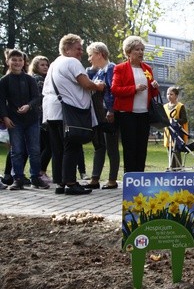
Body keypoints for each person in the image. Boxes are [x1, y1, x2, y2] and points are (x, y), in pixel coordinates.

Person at [42, 33, 105, 195]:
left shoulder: (55, 64)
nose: (81, 52)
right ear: (67, 49)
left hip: (52, 112)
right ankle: (71, 183)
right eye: (78, 48)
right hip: (68, 111)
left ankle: (61, 183)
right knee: (72, 146)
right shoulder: (72, 62)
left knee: (58, 149)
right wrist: (98, 86)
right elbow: (86, 83)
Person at [0, 49, 49, 190]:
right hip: (14, 120)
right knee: (17, 150)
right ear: (8, 62)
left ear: (24, 62)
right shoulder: (4, 81)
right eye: (14, 60)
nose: (17, 63)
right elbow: (2, 101)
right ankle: (18, 178)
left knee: (34, 149)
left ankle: (35, 177)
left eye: (20, 60)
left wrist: (29, 106)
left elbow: (37, 97)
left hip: (32, 119)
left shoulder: (29, 79)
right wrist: (5, 117)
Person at [111, 35, 159, 173]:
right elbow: (115, 89)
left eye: (142, 49)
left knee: (142, 148)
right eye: (137, 49)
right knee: (130, 147)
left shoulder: (147, 69)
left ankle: (140, 177)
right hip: (127, 114)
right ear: (128, 52)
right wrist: (134, 89)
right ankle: (130, 177)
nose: (140, 52)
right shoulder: (120, 68)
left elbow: (153, 94)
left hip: (144, 113)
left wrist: (154, 87)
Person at [82, 42, 119, 190]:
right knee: (99, 146)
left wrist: (111, 110)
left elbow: (113, 91)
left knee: (111, 146)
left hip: (107, 113)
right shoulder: (98, 71)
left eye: (91, 55)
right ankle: (95, 178)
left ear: (99, 54)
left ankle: (112, 179)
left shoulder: (111, 68)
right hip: (97, 113)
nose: (90, 59)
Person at [28, 55, 52, 183]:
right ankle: (40, 171)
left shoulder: (39, 78)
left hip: (40, 117)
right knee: (49, 145)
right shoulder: (38, 80)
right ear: (36, 66)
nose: (45, 67)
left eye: (47, 65)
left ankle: (39, 171)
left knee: (42, 146)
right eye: (42, 65)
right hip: (41, 117)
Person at [163, 86, 188, 170]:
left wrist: (174, 120)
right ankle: (171, 168)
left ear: (176, 96)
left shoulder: (180, 106)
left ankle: (178, 169)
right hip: (168, 132)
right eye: (167, 94)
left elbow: (184, 119)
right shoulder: (165, 106)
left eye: (171, 94)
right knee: (170, 150)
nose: (169, 96)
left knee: (176, 150)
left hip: (177, 132)